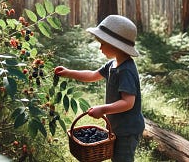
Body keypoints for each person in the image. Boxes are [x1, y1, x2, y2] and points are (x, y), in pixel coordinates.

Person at [54, 15, 145, 162]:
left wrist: (103, 109)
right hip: (117, 125)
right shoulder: (112, 65)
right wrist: (68, 72)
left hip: (128, 129)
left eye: (102, 43)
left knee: (122, 159)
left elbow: (128, 102)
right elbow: (91, 75)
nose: (100, 47)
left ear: (115, 45)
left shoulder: (126, 70)